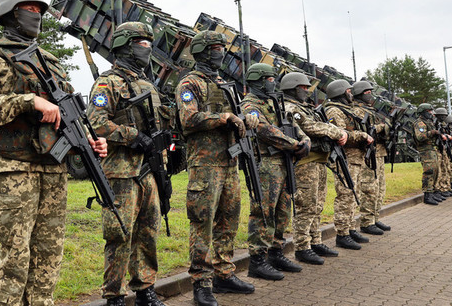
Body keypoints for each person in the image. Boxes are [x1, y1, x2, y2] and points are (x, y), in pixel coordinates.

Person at [0, 0, 107, 306]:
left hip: (52, 169)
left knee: (49, 255)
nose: (37, 16)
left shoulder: (49, 60)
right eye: (31, 9)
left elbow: (68, 110)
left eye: (41, 11)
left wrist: (88, 139)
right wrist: (30, 102)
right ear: (11, 13)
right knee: (15, 256)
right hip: (14, 167)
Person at [86, 21, 166, 306]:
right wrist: (132, 136)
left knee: (148, 231)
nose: (147, 49)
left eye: (148, 44)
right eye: (141, 44)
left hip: (148, 171)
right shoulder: (109, 82)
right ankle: (114, 296)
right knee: (119, 234)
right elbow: (95, 121)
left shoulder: (148, 84)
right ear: (124, 46)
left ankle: (145, 289)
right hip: (121, 171)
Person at [175, 31, 257, 306]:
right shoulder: (190, 82)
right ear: (201, 51)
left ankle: (224, 274)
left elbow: (237, 115)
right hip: (205, 165)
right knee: (203, 223)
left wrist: (247, 119)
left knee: (228, 220)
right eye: (214, 48)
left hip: (230, 162)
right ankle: (202, 282)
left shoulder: (225, 83)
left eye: (222, 47)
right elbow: (188, 118)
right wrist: (223, 117)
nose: (219, 52)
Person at [241, 63, 309, 281]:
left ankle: (276, 252)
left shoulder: (274, 103)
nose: (273, 83)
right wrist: (294, 144)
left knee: (283, 210)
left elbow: (292, 126)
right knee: (263, 212)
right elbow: (264, 131)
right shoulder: (249, 105)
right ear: (259, 80)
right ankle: (257, 261)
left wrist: (304, 140)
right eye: (270, 79)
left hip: (283, 162)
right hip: (266, 164)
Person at [280, 72, 347, 265]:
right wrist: (336, 131)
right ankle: (302, 246)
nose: (307, 91)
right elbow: (308, 126)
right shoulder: (291, 107)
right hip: (305, 163)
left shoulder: (306, 107)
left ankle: (315, 240)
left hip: (318, 160)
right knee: (306, 205)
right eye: (303, 87)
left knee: (317, 204)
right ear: (293, 88)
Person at [323, 79, 373, 249]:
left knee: (353, 193)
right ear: (341, 93)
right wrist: (362, 136)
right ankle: (342, 234)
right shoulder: (334, 111)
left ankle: (350, 228)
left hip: (355, 159)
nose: (351, 94)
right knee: (345, 196)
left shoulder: (347, 110)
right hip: (345, 158)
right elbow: (341, 135)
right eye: (349, 91)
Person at [350, 81, 391, 235]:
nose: (370, 94)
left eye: (370, 91)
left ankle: (375, 217)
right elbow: (370, 128)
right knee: (369, 187)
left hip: (379, 152)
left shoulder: (372, 109)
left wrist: (383, 126)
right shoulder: (357, 110)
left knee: (380, 188)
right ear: (360, 93)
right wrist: (382, 126)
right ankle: (367, 221)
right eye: (367, 92)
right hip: (368, 153)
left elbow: (383, 125)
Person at [413, 103, 442, 206]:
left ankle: (432, 191)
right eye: (429, 111)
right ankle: (427, 194)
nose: (431, 113)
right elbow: (420, 137)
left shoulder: (428, 122)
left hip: (431, 149)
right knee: (429, 171)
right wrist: (432, 133)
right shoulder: (419, 123)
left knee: (435, 170)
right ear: (423, 112)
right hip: (425, 150)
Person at [433, 107, 452, 198]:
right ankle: (440, 188)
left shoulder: (441, 125)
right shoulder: (434, 124)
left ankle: (446, 187)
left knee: (446, 168)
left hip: (443, 148)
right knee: (440, 170)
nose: (443, 117)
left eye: (445, 116)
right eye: (442, 116)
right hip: (437, 149)